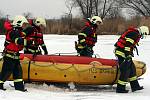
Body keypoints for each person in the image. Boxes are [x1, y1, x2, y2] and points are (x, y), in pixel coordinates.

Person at [114, 26, 149, 93]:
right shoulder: (134, 34)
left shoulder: (134, 33)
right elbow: (128, 45)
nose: (143, 36)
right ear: (142, 31)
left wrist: (128, 54)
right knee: (125, 70)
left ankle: (135, 86)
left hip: (124, 53)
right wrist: (128, 55)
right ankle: (120, 89)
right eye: (144, 34)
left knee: (132, 69)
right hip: (122, 53)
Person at [0, 15, 29, 91]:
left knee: (18, 72)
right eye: (23, 24)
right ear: (19, 23)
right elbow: (17, 40)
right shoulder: (13, 32)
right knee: (6, 72)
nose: (24, 26)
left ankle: (19, 88)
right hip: (9, 56)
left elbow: (20, 38)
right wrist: (27, 42)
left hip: (15, 57)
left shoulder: (18, 32)